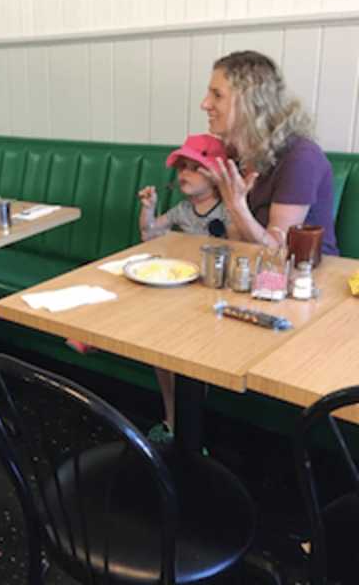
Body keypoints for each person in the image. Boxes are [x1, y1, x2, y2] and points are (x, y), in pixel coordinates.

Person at [137, 133, 231, 443]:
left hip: (212, 296)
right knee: (159, 343)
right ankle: (172, 420)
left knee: (182, 350)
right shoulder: (181, 210)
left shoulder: (228, 213)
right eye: (181, 168)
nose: (183, 174)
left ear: (216, 177)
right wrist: (148, 209)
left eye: (194, 167)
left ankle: (189, 429)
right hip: (181, 291)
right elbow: (150, 235)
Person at [200, 50, 339, 255]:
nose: (205, 104)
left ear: (251, 101)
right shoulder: (235, 154)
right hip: (253, 269)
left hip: (310, 275)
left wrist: (236, 206)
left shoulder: (301, 158)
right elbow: (238, 239)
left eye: (217, 95)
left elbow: (278, 250)